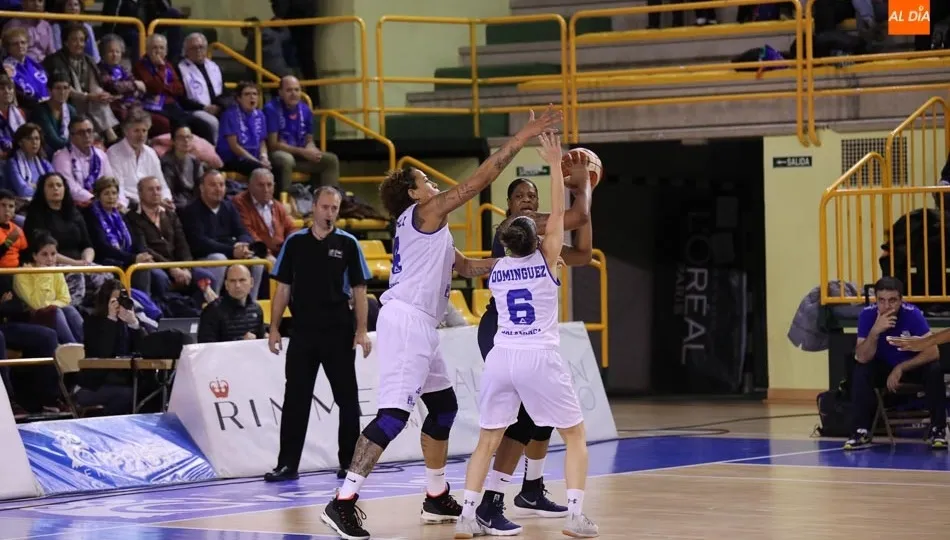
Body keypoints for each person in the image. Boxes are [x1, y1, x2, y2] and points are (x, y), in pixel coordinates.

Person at [320, 105, 562, 540]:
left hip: (422, 325)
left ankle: (435, 495)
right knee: (393, 416)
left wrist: (529, 264)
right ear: (415, 195)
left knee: (444, 408)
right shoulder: (423, 215)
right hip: (405, 321)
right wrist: (525, 133)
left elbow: (467, 267)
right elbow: (480, 180)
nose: (432, 184)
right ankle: (343, 501)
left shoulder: (429, 233)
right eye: (425, 182)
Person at [456, 131, 597, 538]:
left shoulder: (498, 268)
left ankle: (471, 513)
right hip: (535, 351)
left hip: (505, 351)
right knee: (575, 435)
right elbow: (566, 219)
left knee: (488, 438)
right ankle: (574, 515)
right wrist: (570, 176)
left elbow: (579, 246)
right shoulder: (545, 257)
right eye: (523, 199)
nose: (532, 205)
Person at [265, 186, 372, 482]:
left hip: (338, 329)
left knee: (347, 398)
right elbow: (283, 287)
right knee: (295, 399)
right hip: (303, 331)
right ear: (313, 208)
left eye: (334, 208)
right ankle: (287, 464)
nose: (329, 213)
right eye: (324, 207)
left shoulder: (348, 243)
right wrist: (274, 328)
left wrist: (361, 330)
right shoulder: (295, 242)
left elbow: (360, 289)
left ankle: (349, 462)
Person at [845, 276, 947, 450]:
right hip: (882, 366)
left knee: (934, 370)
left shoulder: (912, 314)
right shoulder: (867, 315)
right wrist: (875, 331)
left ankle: (938, 430)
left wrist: (901, 368)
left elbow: (933, 352)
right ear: (876, 299)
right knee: (861, 369)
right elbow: (861, 356)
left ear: (901, 300)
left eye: (892, 301)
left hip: (909, 365)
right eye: (881, 301)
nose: (887, 306)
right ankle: (860, 431)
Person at [197, 264, 265, 343]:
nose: (237, 285)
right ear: (226, 285)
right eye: (232, 281)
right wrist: (240, 342)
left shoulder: (257, 309)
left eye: (242, 280)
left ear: (252, 282)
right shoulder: (212, 311)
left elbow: (261, 340)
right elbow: (206, 347)